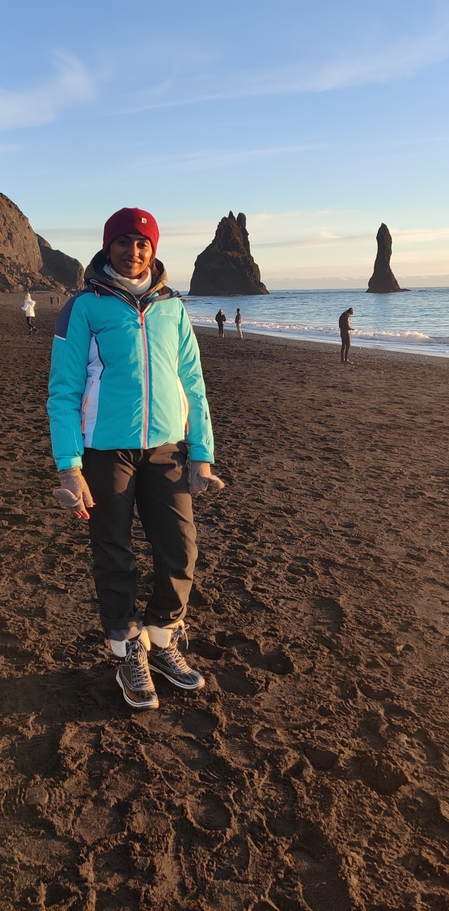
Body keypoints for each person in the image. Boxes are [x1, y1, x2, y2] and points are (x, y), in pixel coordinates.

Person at [48, 207, 225, 712]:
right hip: (106, 451)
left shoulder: (172, 306)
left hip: (167, 448)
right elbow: (63, 390)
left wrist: (201, 455)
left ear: (155, 248)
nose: (134, 251)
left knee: (180, 548)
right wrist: (70, 466)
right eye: (123, 242)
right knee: (115, 552)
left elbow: (193, 382)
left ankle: (164, 639)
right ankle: (129, 651)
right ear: (108, 247)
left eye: (143, 243)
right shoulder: (82, 306)